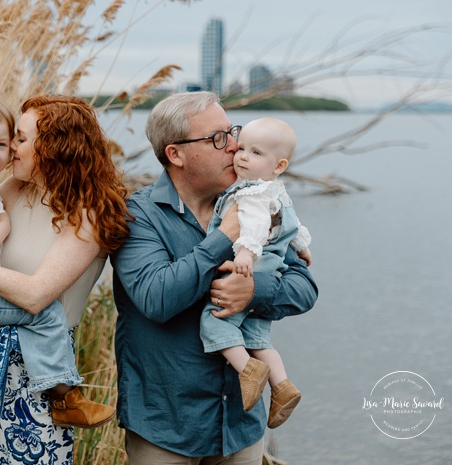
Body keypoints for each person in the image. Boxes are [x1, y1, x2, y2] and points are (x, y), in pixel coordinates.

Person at [111, 91, 318, 464]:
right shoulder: (138, 215)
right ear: (175, 154)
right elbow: (157, 299)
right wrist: (225, 237)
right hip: (167, 426)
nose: (235, 146)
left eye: (232, 132)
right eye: (218, 138)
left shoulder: (256, 201)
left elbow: (304, 288)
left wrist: (252, 290)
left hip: (240, 425)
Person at [0, 95, 130, 464]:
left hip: (38, 377)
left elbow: (35, 297)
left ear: (53, 147)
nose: (9, 148)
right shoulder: (11, 190)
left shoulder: (89, 213)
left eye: (19, 138)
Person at [199, 117, 312, 430]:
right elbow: (293, 225)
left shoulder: (249, 194)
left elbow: (256, 226)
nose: (242, 156)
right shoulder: (277, 192)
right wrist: (303, 247)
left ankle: (248, 370)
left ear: (279, 165)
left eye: (256, 152)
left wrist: (246, 254)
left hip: (248, 268)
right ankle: (282, 385)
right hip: (273, 272)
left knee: (215, 321)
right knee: (258, 337)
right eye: (242, 148)